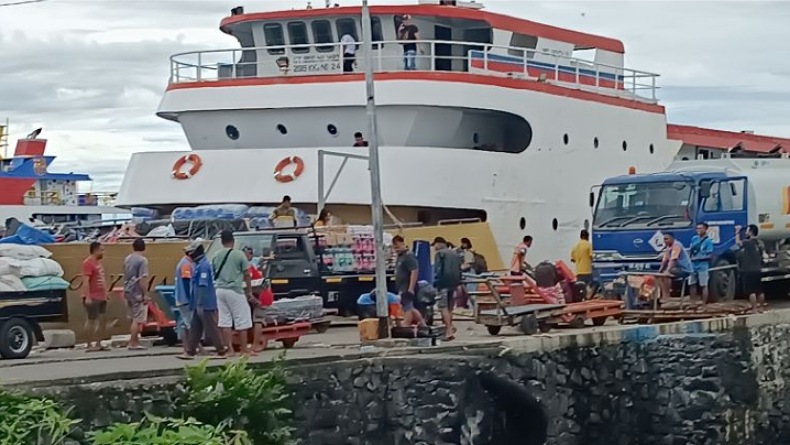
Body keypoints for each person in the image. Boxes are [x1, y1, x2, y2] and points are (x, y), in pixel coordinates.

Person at [180, 243, 227, 360]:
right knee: (195, 327)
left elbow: (203, 285)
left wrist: (200, 303)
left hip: (206, 303)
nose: (189, 254)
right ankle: (190, 351)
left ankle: (221, 351)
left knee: (212, 327)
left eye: (191, 252)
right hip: (198, 303)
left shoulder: (203, 266)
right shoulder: (199, 265)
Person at [212, 230, 255, 357]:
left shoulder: (216, 255)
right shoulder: (239, 255)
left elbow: (214, 271)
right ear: (233, 240)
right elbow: (247, 274)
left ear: (221, 241)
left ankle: (229, 350)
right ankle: (244, 350)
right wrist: (249, 291)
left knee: (225, 321)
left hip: (219, 290)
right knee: (241, 318)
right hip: (235, 289)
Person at [81, 241, 109, 352]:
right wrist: (87, 296)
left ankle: (98, 343)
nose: (103, 252)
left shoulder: (98, 263)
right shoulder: (88, 263)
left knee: (102, 319)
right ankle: (89, 344)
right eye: (101, 250)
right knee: (91, 319)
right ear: (95, 250)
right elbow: (86, 281)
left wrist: (106, 293)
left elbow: (102, 279)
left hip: (101, 296)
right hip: (92, 296)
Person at [432, 237, 462, 340]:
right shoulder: (455, 254)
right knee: (450, 308)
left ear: (439, 243)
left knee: (443, 307)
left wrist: (436, 283)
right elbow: (460, 269)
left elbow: (438, 270)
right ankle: (450, 327)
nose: (434, 248)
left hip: (443, 284)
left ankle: (448, 330)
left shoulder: (440, 254)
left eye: (435, 245)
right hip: (453, 284)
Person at [123, 238, 150, 350]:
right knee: (137, 318)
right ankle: (133, 343)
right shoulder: (142, 260)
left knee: (132, 316)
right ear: (144, 247)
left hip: (128, 290)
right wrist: (145, 294)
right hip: (137, 292)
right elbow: (142, 279)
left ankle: (133, 340)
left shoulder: (127, 259)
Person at [392, 235, 424, 327]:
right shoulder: (400, 256)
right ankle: (423, 324)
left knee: (407, 308)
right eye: (394, 248)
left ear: (403, 243)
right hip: (401, 286)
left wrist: (411, 288)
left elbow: (414, 271)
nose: (396, 250)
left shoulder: (409, 256)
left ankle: (406, 324)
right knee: (410, 308)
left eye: (397, 247)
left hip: (407, 286)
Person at [174, 242, 197, 356]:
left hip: (182, 298)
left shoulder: (185, 263)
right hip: (186, 299)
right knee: (190, 324)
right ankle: (191, 349)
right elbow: (186, 282)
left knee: (186, 324)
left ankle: (187, 348)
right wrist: (191, 298)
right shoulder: (186, 265)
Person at [736, 224, 766, 312]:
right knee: (760, 290)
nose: (746, 233)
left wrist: (737, 233)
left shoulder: (747, 242)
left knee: (751, 291)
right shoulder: (760, 243)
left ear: (750, 232)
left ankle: (754, 309)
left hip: (749, 270)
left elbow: (738, 243)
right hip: (758, 269)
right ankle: (761, 307)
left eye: (747, 231)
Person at [657, 232, 694, 300]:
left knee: (667, 274)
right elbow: (664, 260)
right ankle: (665, 295)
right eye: (664, 239)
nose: (665, 241)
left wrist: (667, 271)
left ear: (672, 238)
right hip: (677, 268)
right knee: (660, 276)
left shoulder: (677, 245)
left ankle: (667, 296)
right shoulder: (668, 247)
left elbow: (673, 259)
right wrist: (660, 270)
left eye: (667, 239)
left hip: (685, 269)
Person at [688, 223, 714, 304]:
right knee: (692, 283)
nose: (698, 230)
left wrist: (698, 258)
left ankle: (703, 303)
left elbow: (710, 256)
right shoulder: (694, 239)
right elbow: (691, 250)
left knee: (703, 285)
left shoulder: (708, 241)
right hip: (693, 265)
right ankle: (693, 302)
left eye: (701, 228)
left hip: (702, 266)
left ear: (705, 229)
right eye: (697, 228)